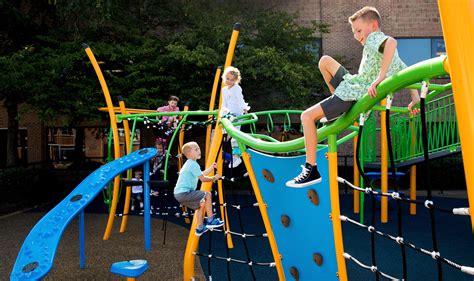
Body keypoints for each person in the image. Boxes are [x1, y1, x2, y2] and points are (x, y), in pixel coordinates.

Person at [286, 6, 420, 188]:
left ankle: (311, 169)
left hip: (354, 93)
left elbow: (392, 42)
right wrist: (415, 98)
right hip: (352, 84)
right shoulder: (388, 56)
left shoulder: (375, 38)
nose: (356, 36)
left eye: (358, 30)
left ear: (373, 25)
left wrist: (380, 78)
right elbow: (405, 72)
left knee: (306, 117)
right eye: (354, 32)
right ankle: (336, 104)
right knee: (324, 61)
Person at [173, 141, 225, 236]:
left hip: (180, 194)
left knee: (201, 205)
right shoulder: (193, 164)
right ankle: (210, 220)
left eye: (199, 148)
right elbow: (203, 179)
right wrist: (214, 178)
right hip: (184, 193)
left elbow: (201, 174)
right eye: (196, 149)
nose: (199, 150)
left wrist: (211, 168)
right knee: (207, 194)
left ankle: (200, 228)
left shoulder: (190, 163)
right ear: (189, 153)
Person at [221, 66, 250, 168]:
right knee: (227, 134)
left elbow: (240, 101)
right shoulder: (224, 89)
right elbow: (224, 103)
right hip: (229, 114)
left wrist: (245, 110)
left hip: (237, 114)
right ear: (224, 77)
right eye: (227, 79)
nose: (229, 81)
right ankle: (234, 155)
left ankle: (237, 156)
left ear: (236, 80)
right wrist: (222, 113)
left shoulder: (237, 88)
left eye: (232, 80)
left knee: (235, 135)